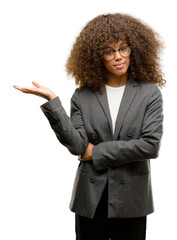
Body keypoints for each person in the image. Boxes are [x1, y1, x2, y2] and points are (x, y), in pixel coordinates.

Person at [13, 13, 165, 240]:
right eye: (109, 51)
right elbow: (78, 146)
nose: (118, 57)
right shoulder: (82, 95)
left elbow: (150, 146)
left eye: (124, 48)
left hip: (132, 198)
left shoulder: (149, 92)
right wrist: (53, 102)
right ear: (96, 56)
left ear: (135, 49)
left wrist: (97, 152)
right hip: (91, 198)